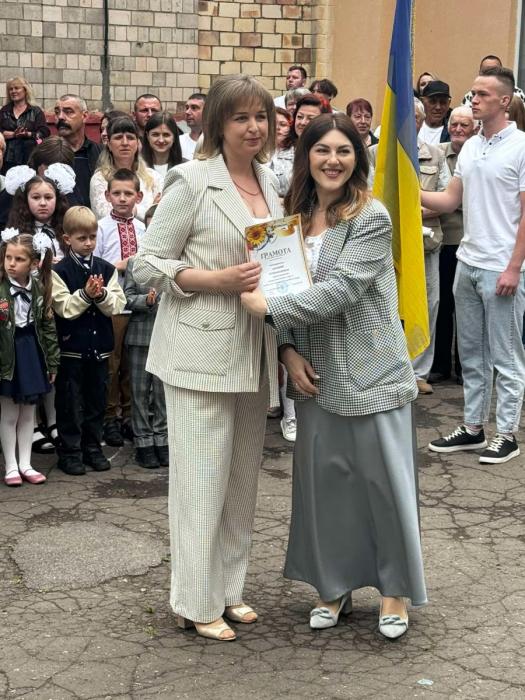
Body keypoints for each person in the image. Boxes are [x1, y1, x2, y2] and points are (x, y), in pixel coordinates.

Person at [240, 112, 426, 639]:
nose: (333, 160)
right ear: (306, 156)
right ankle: (333, 584)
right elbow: (284, 283)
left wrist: (269, 310)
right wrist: (287, 348)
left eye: (344, 150)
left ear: (357, 158)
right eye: (322, 150)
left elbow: (341, 289)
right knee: (327, 487)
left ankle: (394, 591)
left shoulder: (371, 216)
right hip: (315, 373)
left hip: (370, 370)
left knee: (383, 486)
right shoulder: (290, 219)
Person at [133, 74, 281, 642]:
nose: (253, 127)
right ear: (218, 123)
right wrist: (214, 279)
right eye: (241, 117)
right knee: (200, 484)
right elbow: (146, 263)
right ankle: (194, 602)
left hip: (253, 350)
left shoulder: (272, 182)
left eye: (261, 116)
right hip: (198, 351)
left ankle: (228, 589)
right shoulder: (192, 180)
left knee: (240, 483)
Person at [423, 67, 525, 464]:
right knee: (471, 354)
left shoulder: (521, 146)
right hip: (468, 263)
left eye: (482, 94)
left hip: (502, 267)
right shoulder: (470, 147)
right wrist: (404, 189)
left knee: (506, 355)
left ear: (504, 101)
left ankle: (507, 434)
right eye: (472, 93)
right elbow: (450, 200)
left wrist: (514, 267)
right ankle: (473, 428)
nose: (473, 99)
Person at [52, 206, 126, 476]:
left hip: (99, 349)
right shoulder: (59, 271)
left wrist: (101, 294)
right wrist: (85, 294)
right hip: (71, 349)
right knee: (70, 402)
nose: (88, 243)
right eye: (82, 238)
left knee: (97, 401)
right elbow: (64, 307)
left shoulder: (106, 269)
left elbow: (117, 304)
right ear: (67, 239)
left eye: (92, 237)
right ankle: (70, 451)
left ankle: (92, 447)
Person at [0, 230, 59, 487]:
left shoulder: (39, 288)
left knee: (28, 414)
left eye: (19, 259)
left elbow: (47, 326)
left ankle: (26, 463)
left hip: (31, 352)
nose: (11, 264)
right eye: (8, 257)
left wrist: (52, 360)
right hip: (8, 355)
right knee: (9, 414)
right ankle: (11, 466)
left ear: (33, 263)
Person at [95, 169, 146, 447]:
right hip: (113, 305)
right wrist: (123, 265)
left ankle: (129, 415)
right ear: (107, 196)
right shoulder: (101, 227)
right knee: (111, 364)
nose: (123, 198)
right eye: (117, 193)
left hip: (137, 305)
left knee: (131, 363)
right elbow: (97, 266)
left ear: (139, 196)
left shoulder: (143, 228)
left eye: (128, 193)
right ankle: (109, 417)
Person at [430, 106, 476, 385]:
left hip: (467, 241)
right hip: (442, 240)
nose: (458, 129)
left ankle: (464, 366)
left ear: (474, 129)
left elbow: (458, 198)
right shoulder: (435, 152)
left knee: (466, 309)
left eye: (464, 125)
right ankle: (441, 365)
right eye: (455, 124)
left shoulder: (478, 154)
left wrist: (446, 202)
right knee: (443, 304)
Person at [123, 204, 168, 469]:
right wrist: (146, 301)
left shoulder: (174, 261)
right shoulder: (135, 262)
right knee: (140, 392)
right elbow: (127, 297)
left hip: (167, 336)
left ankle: (162, 439)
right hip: (140, 335)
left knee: (162, 393)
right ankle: (143, 441)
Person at [411, 98, 450, 394]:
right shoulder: (376, 154)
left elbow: (446, 197)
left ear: (421, 121)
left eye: (414, 116)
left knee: (429, 303)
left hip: (427, 242)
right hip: (391, 243)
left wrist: (411, 213)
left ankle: (419, 372)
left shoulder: (435, 154)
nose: (408, 121)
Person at [89, 116, 162, 222]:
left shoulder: (153, 177)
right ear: (109, 144)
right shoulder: (100, 179)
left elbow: (161, 214)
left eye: (130, 137)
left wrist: (125, 210)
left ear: (137, 143)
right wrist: (146, 212)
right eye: (118, 137)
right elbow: (104, 215)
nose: (125, 143)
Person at [6, 164, 75, 262]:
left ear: (57, 199)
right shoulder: (17, 232)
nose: (43, 203)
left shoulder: (67, 228)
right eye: (36, 197)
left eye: (48, 197)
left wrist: (63, 265)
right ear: (26, 200)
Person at [54, 94, 102, 207]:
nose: (60, 117)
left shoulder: (100, 153)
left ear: (84, 116)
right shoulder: (46, 153)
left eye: (68, 112)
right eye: (57, 112)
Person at [0, 76, 50, 173]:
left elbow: (44, 133)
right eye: (11, 89)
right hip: (7, 159)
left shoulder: (36, 111)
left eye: (16, 88)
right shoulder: (4, 111)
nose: (13, 91)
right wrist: (13, 134)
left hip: (29, 159)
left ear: (25, 90)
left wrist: (29, 134)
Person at [141, 113, 183, 185]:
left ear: (174, 137)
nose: (161, 140)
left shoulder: (185, 166)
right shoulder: (137, 166)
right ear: (147, 136)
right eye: (155, 134)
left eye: (166, 135)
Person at [269, 107, 294, 198]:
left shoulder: (297, 151)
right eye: (273, 124)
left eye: (283, 125)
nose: (277, 128)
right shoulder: (256, 151)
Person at [180, 93, 206, 161]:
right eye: (187, 108)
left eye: (194, 108)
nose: (187, 112)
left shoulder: (217, 143)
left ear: (207, 111)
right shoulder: (178, 142)